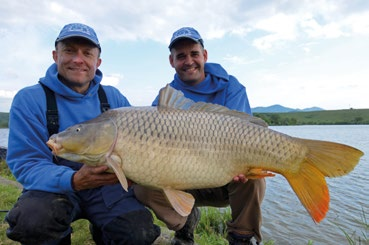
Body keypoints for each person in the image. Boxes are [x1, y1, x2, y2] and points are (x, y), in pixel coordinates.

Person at [5, 23, 160, 244]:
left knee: (138, 231)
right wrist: (74, 180)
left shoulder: (114, 98)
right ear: (55, 55)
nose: (78, 59)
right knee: (32, 221)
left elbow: (142, 147)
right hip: (54, 188)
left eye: (87, 53)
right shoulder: (29, 99)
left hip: (107, 190)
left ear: (97, 62)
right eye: (69, 51)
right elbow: (26, 163)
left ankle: (103, 229)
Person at [134, 27, 266, 245]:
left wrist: (241, 163)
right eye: (181, 56)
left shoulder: (231, 87)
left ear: (204, 55)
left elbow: (246, 135)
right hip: (183, 180)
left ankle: (242, 237)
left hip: (224, 177)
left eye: (194, 54)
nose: (188, 61)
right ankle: (184, 226)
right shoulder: (165, 100)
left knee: (253, 178)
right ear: (171, 61)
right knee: (142, 187)